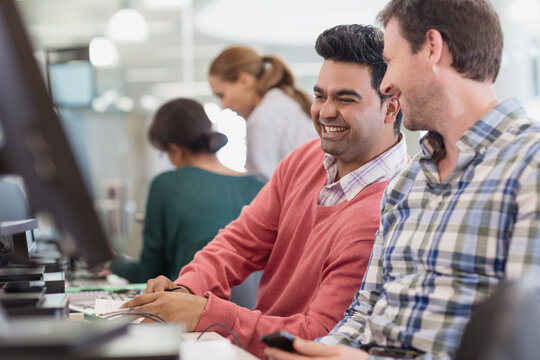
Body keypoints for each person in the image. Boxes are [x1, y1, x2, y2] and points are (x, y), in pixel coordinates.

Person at [265, 1, 540, 360]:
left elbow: (520, 346)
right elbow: (363, 314)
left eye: (391, 61)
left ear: (431, 48)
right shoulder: (405, 184)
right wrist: (315, 352)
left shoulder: (529, 167)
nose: (388, 83)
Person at [122, 24, 408, 358]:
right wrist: (186, 287)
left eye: (345, 98)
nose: (326, 111)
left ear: (391, 107)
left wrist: (202, 312)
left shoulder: (387, 209)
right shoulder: (306, 159)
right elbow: (239, 243)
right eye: (320, 95)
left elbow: (318, 338)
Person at [109, 98, 264, 289]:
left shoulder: (166, 184)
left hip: (191, 307)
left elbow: (149, 272)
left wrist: (113, 262)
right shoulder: (258, 185)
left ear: (175, 150)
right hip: (252, 312)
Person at [208, 45, 318, 180]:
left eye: (221, 95)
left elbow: (262, 188)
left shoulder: (262, 120)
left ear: (244, 81)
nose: (223, 106)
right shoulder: (287, 100)